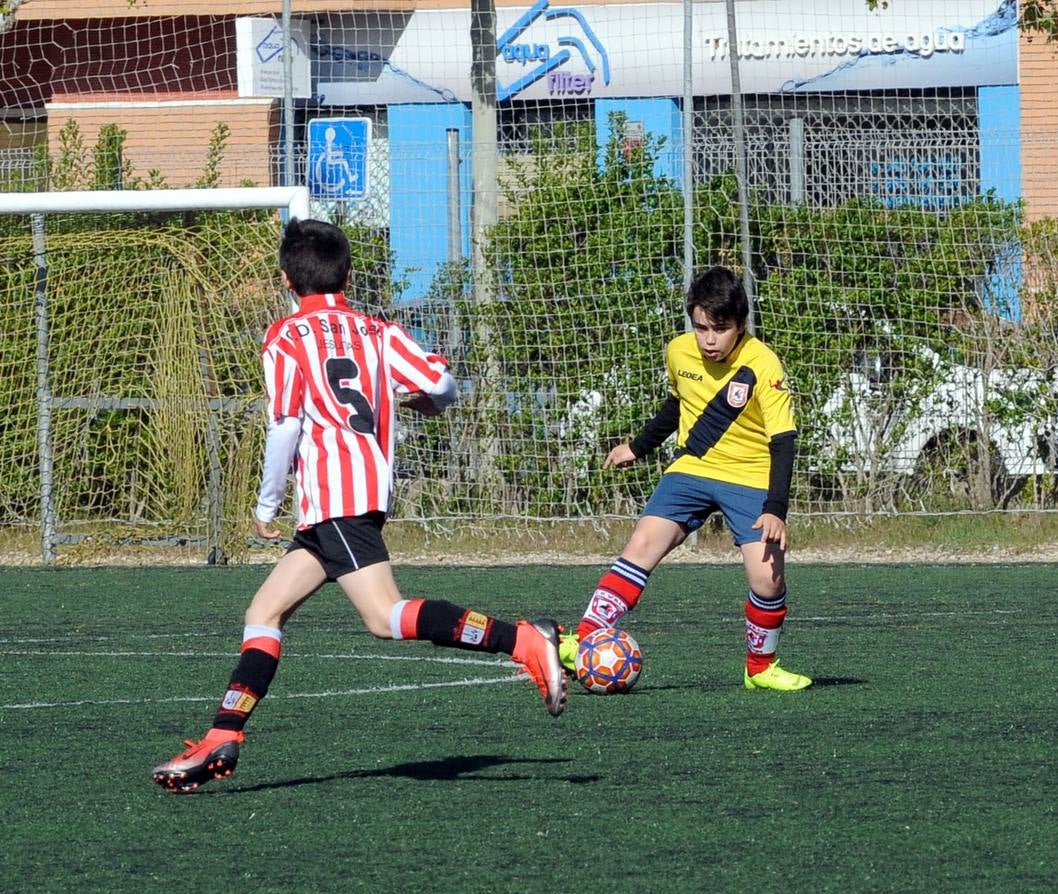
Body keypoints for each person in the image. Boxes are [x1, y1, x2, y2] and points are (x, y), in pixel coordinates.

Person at [151, 219, 567, 794]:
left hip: (334, 499)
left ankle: (521, 639)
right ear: (347, 273)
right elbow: (445, 385)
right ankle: (224, 735)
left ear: (285, 279)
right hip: (356, 497)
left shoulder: (285, 337)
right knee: (264, 613)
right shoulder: (378, 331)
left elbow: (286, 425)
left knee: (385, 616)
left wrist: (266, 502)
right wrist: (421, 403)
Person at [557, 266, 808, 691]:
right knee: (642, 544)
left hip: (748, 474)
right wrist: (636, 448)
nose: (709, 340)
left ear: (741, 325)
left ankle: (760, 668)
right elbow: (677, 406)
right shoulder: (678, 351)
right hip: (691, 467)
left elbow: (783, 439)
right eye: (700, 328)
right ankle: (583, 640)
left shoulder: (764, 363)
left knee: (768, 579)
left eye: (720, 329)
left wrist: (775, 510)